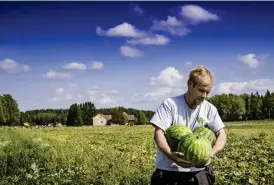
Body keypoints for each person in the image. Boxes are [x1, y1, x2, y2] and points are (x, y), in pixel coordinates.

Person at [150, 66, 227, 185]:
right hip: (169, 171)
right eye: (201, 90)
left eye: (208, 92)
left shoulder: (209, 109)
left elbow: (221, 134)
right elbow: (158, 133)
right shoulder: (171, 104)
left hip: (197, 173)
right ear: (190, 84)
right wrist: (171, 155)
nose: (204, 96)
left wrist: (210, 154)